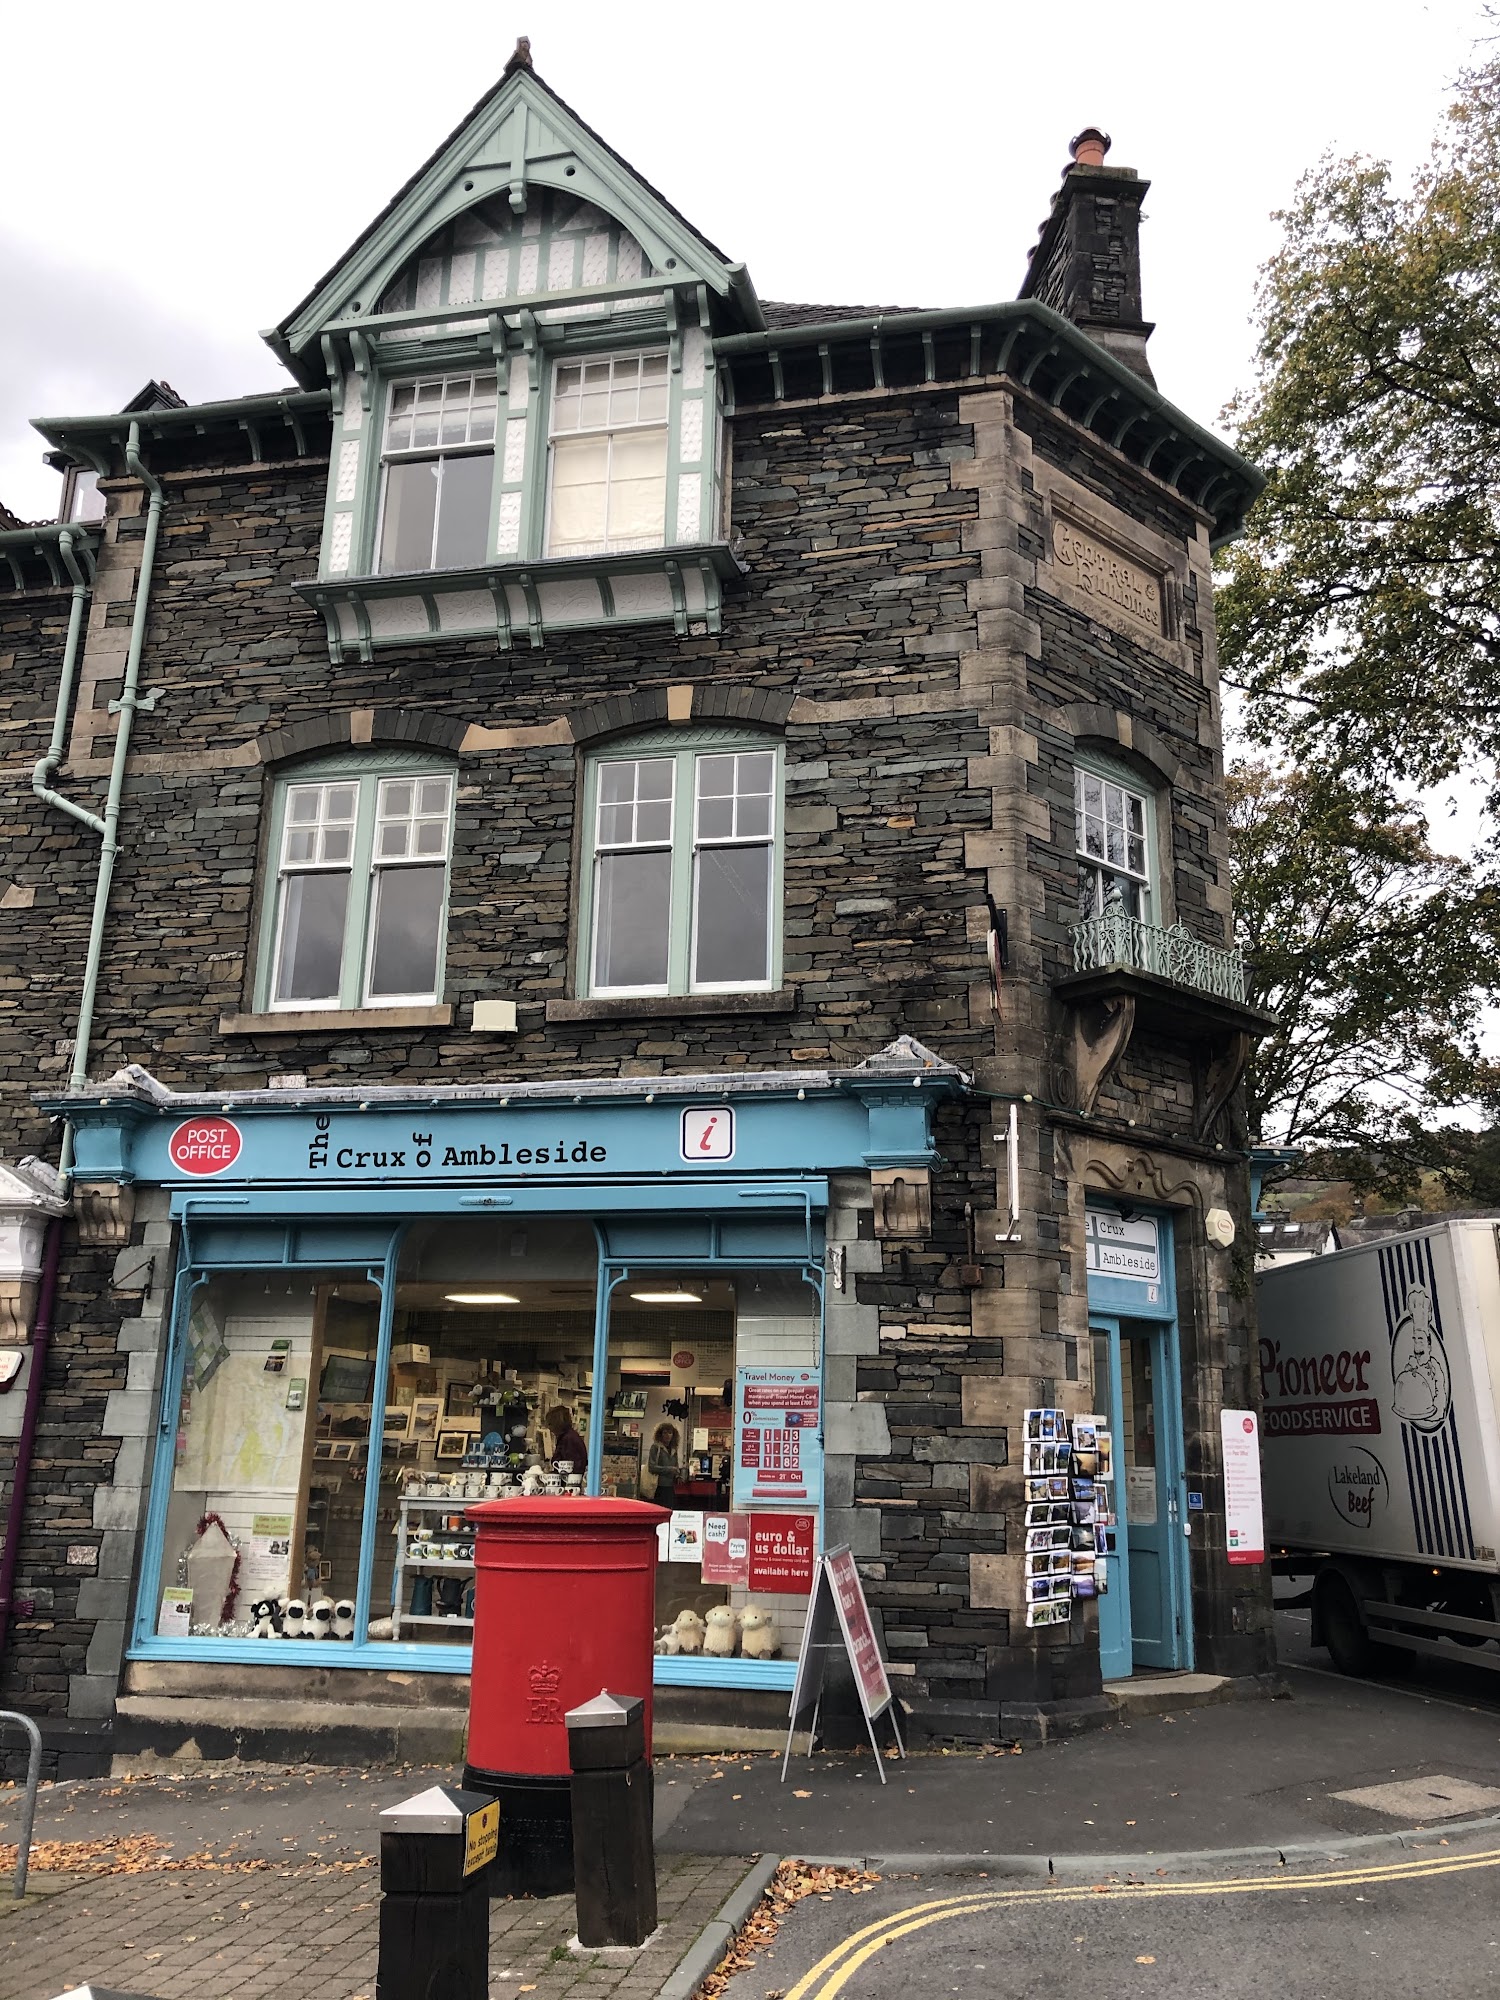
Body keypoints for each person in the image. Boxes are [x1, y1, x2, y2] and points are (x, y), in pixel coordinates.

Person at [545, 1404, 588, 1476]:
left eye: (550, 1424)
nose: (549, 1428)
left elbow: (571, 1466)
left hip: (569, 1481)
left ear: (556, 1423)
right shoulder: (570, 1436)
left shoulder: (568, 1439)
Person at [646, 1421, 680, 1504]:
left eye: (670, 1433)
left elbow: (676, 1465)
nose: (667, 1435)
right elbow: (652, 1467)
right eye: (665, 1433)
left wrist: (678, 1475)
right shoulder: (655, 1447)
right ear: (660, 1434)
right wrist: (669, 1469)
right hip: (658, 1486)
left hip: (670, 1486)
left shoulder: (674, 1449)